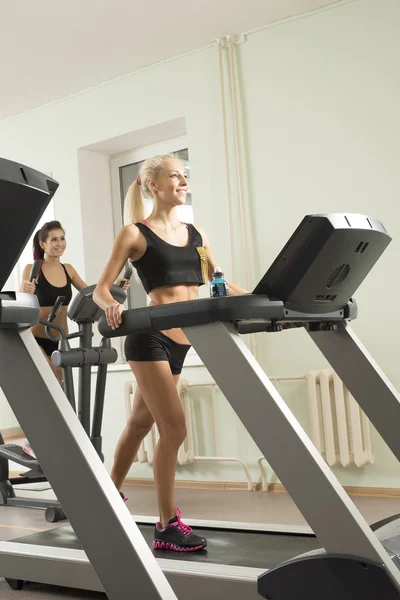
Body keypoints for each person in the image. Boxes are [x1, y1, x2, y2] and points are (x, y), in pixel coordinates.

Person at [94, 153, 248, 552]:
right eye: (174, 176)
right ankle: (166, 526)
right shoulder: (135, 233)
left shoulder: (197, 233)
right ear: (152, 185)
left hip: (184, 342)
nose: (182, 182)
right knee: (175, 428)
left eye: (184, 176)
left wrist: (263, 299)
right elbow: (101, 287)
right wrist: (110, 303)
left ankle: (108, 494)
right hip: (150, 339)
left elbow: (219, 283)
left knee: (140, 423)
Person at [20, 221, 88, 383]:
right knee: (51, 379)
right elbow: (22, 300)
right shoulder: (32, 269)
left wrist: (114, 286)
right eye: (54, 240)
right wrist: (23, 290)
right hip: (36, 338)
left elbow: (90, 293)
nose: (60, 244)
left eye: (62, 238)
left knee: (60, 384)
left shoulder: (68, 269)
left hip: (60, 339)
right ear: (43, 244)